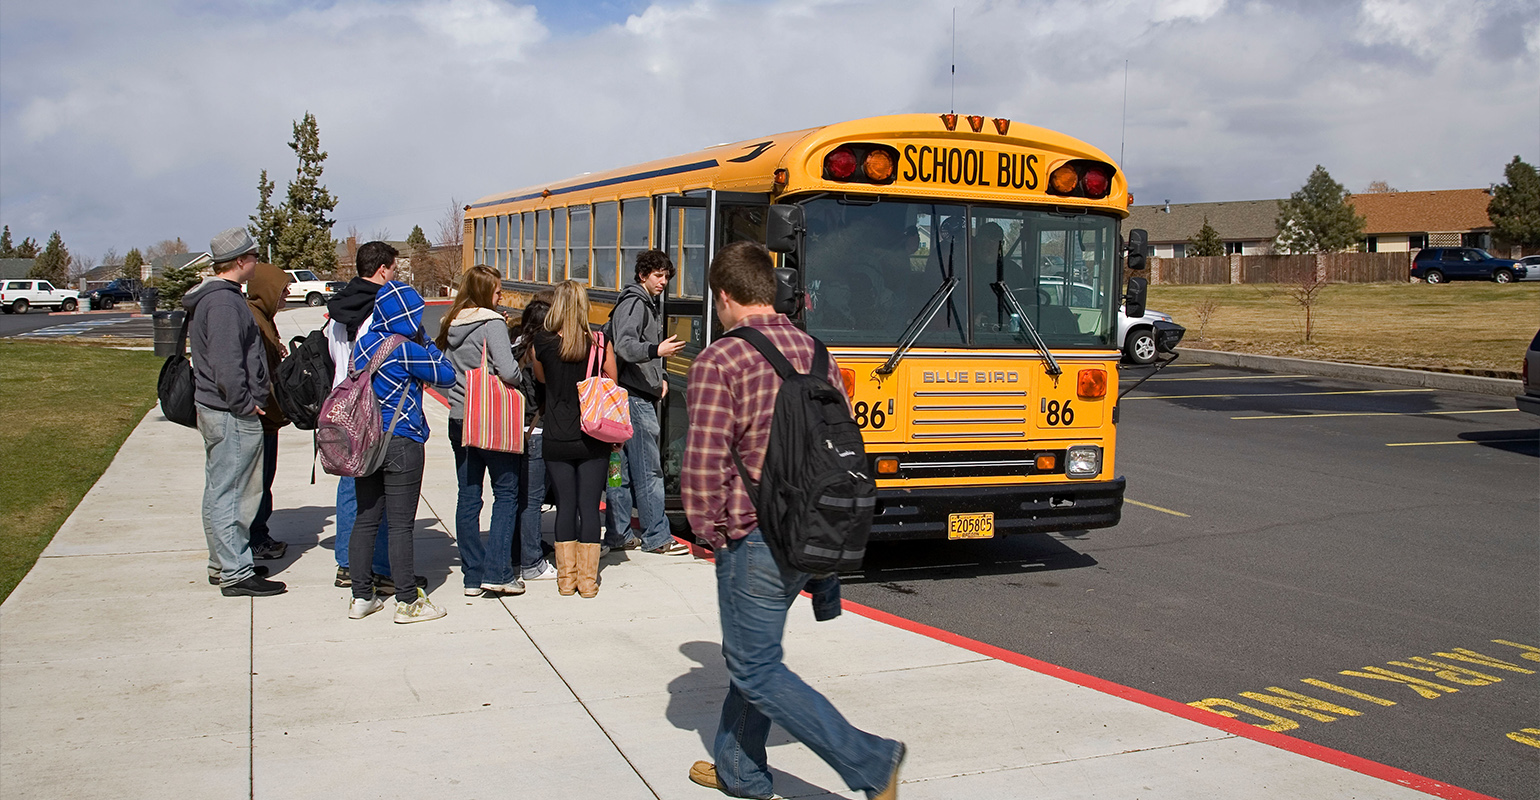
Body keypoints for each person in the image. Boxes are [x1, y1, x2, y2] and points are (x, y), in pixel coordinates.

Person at [682, 241, 904, 800]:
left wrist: (704, 530)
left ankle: (870, 760)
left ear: (725, 296)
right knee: (750, 654)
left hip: (753, 535)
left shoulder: (720, 359)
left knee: (756, 667)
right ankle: (740, 770)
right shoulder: (817, 352)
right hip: (809, 529)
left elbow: (705, 457)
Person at [345, 280, 456, 623]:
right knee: (400, 526)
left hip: (366, 440)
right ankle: (407, 600)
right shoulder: (406, 348)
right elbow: (447, 374)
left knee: (365, 519)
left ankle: (362, 596)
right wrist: (424, 341)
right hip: (401, 440)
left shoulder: (364, 345)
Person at [184, 227, 286, 597]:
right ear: (240, 261)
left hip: (219, 408)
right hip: (230, 412)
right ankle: (235, 572)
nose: (256, 263)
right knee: (236, 493)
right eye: (254, 257)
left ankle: (224, 562)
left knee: (220, 488)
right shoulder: (225, 303)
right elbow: (228, 362)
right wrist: (246, 403)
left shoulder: (217, 298)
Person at [438, 265, 526, 597]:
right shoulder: (492, 323)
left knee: (468, 494)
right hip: (490, 416)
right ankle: (499, 571)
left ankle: (472, 575)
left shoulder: (453, 321)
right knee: (505, 492)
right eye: (498, 290)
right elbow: (507, 371)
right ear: (485, 291)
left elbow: (447, 370)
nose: (501, 295)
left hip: (459, 416)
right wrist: (516, 366)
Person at [530, 280, 617, 598]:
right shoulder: (598, 342)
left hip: (556, 435)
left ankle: (565, 580)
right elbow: (612, 385)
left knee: (565, 505)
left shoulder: (542, 341)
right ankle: (588, 581)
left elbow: (540, 378)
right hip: (593, 437)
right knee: (589, 507)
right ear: (583, 306)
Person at [604, 250, 689, 556]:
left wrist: (660, 375)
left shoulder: (636, 302)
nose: (663, 282)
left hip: (625, 395)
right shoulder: (636, 303)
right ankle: (656, 536)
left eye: (666, 276)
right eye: (658, 275)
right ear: (642, 275)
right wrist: (657, 351)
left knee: (619, 470)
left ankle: (618, 534)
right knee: (649, 471)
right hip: (635, 399)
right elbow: (627, 346)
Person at [325, 242, 394, 591]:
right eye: (393, 269)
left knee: (349, 484)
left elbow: (331, 354)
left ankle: (347, 562)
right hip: (369, 407)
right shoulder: (379, 309)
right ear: (382, 269)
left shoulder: (338, 310)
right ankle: (376, 567)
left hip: (339, 403)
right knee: (376, 490)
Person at [244, 262, 291, 561]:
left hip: (269, 416)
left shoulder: (264, 318)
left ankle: (260, 533)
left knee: (264, 478)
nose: (286, 294)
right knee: (257, 482)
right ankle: (256, 538)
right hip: (260, 416)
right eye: (281, 290)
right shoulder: (253, 319)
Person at [513, 292, 556, 582]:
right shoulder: (539, 352)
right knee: (533, 499)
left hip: (519, 429)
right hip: (537, 429)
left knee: (520, 496)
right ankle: (531, 561)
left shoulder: (515, 346)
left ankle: (522, 547)